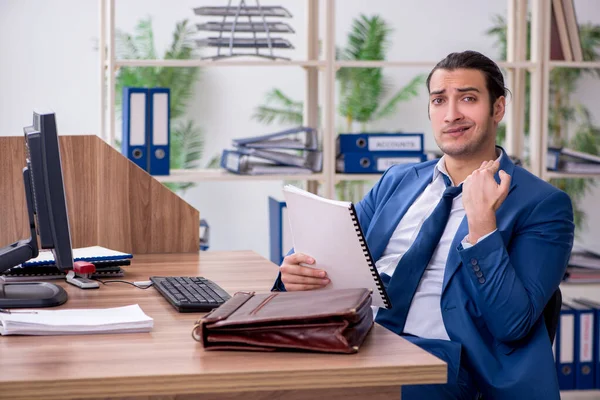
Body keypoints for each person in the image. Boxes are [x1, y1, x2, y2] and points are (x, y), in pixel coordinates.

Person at [272, 50, 575, 400]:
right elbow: (337, 244)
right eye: (439, 100)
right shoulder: (399, 179)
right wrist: (295, 270)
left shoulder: (543, 205)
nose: (452, 114)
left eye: (468, 98)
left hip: (452, 363)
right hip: (361, 339)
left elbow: (513, 324)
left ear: (498, 109)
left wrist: (482, 227)